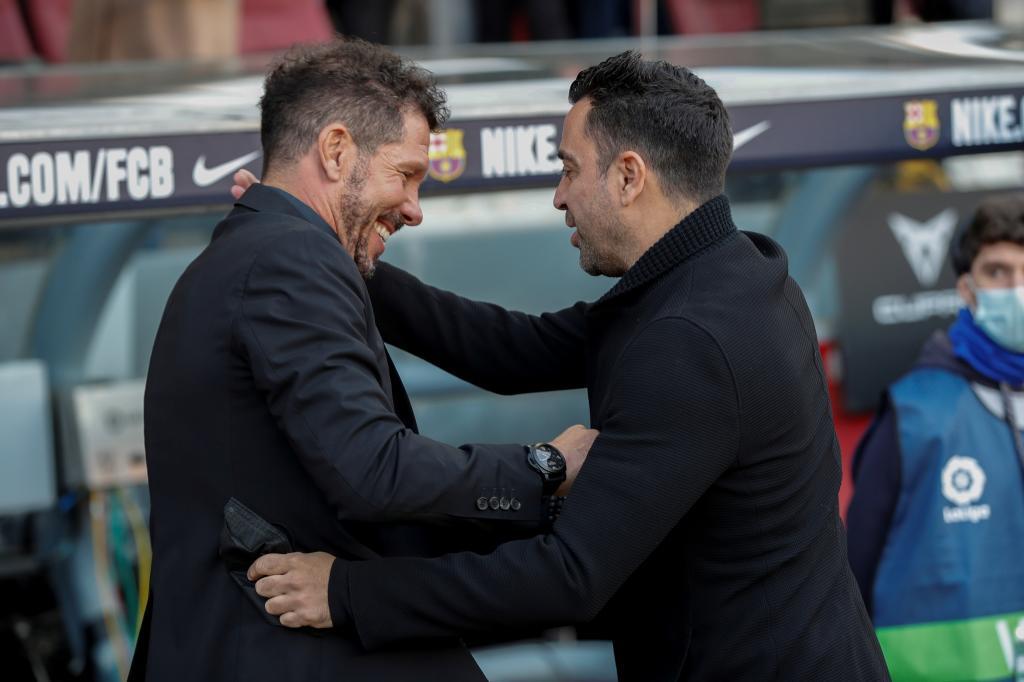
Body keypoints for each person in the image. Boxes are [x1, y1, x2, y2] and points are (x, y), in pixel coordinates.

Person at [245, 51, 890, 680]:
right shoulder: (726, 273)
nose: (559, 197)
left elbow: (569, 576)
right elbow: (509, 350)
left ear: (629, 177)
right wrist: (337, 245)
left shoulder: (691, 339)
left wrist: (345, 591)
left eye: (569, 169)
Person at [132, 38, 595, 682]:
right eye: (405, 174)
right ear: (336, 150)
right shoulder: (288, 258)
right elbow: (373, 470)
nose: (415, 209)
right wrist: (544, 467)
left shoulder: (268, 251)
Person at [847, 193, 1024, 681]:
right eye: (998, 271)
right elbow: (852, 574)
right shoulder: (915, 413)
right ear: (967, 289)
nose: (1017, 288)